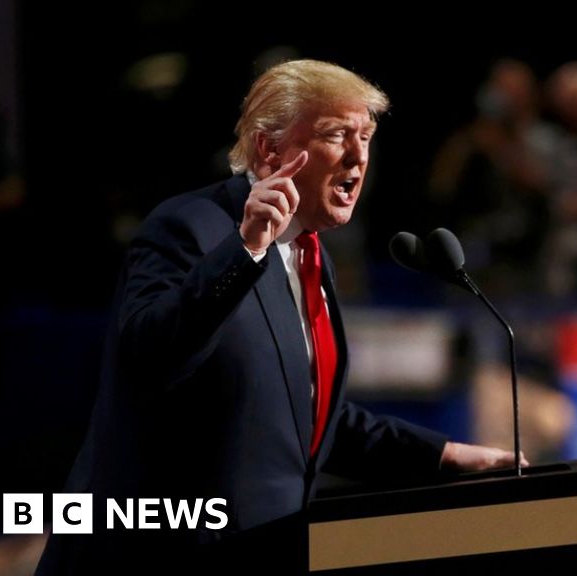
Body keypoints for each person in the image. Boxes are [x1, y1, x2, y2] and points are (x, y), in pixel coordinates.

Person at [36, 59, 523, 575]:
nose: (359, 157)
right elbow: (147, 359)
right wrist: (244, 250)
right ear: (271, 150)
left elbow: (299, 418)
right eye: (338, 135)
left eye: (367, 136)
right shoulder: (190, 228)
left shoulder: (310, 252)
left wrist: (440, 454)